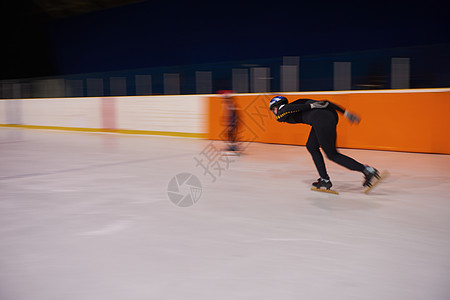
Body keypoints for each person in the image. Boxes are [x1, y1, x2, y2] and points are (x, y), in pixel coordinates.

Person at [269, 95, 379, 190]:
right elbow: (326, 102)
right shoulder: (298, 103)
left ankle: (367, 170)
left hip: (320, 119)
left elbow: (281, 114)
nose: (274, 113)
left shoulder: (284, 109)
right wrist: (345, 113)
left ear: (277, 105)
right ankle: (324, 179)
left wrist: (311, 106)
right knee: (311, 146)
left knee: (332, 155)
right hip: (328, 116)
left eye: (273, 109)